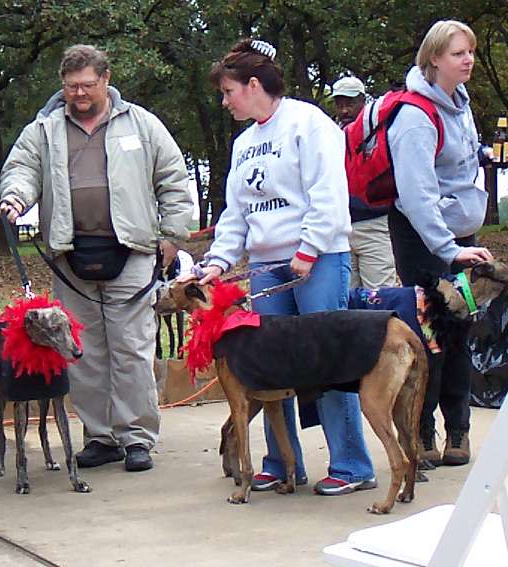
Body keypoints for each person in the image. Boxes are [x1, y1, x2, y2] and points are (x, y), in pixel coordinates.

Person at [189, 39, 377, 496]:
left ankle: (352, 465)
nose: (225, 100)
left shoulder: (307, 123)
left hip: (316, 261)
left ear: (253, 85)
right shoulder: (244, 143)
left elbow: (328, 193)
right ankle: (282, 462)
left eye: (229, 91)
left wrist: (310, 250)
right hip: (268, 265)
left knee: (330, 362)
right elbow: (236, 214)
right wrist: (218, 261)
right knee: (266, 369)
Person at [0, 44, 193, 472]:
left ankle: (137, 437)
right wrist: (15, 198)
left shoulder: (142, 124)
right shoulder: (44, 129)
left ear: (106, 80)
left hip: (132, 253)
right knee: (82, 351)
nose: (79, 94)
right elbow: (22, 170)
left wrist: (174, 236)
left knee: (133, 349)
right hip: (70, 257)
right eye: (71, 87)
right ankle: (100, 436)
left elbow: (173, 180)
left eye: (87, 85)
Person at [386, 21, 493, 466]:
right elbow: (416, 196)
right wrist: (449, 250)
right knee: (428, 337)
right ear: (433, 59)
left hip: (459, 240)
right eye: (457, 54)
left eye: (470, 51)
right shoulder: (415, 117)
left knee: (460, 335)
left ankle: (459, 432)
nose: (467, 60)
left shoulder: (460, 105)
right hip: (425, 242)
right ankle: (421, 434)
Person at [332, 76, 397, 289]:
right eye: (339, 104)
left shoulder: (384, 132)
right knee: (345, 303)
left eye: (350, 103)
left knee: (379, 298)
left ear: (363, 100)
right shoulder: (330, 135)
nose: (344, 110)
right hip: (340, 229)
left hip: (375, 225)